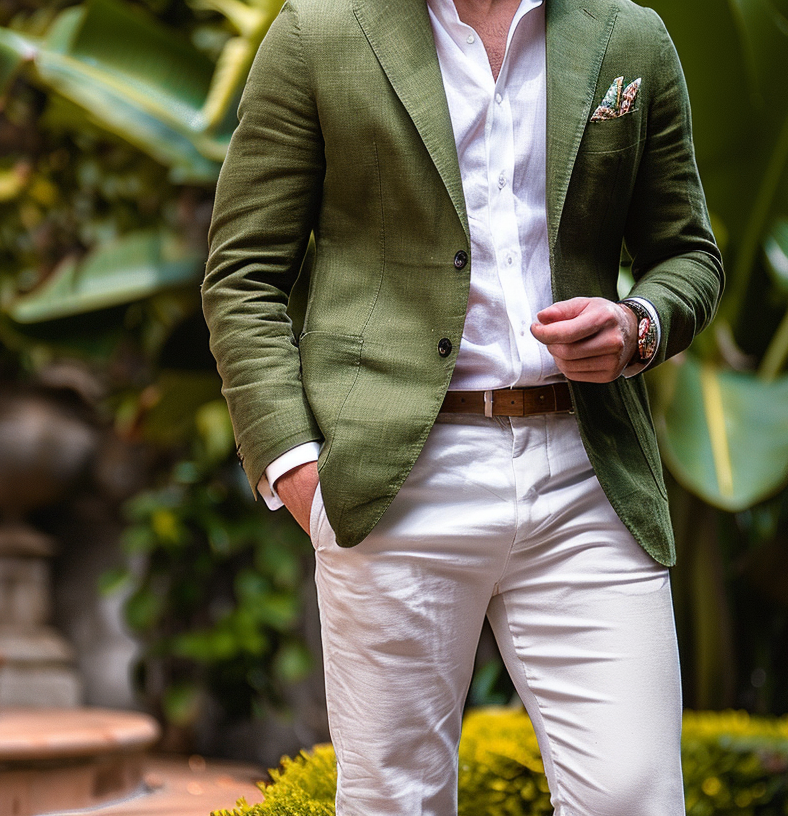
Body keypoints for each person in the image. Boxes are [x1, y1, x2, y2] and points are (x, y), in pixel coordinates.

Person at [201, 0, 722, 812]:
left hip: (586, 476)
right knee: (394, 800)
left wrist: (636, 324)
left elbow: (687, 253)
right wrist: (295, 468)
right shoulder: (319, 34)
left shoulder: (628, 35)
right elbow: (243, 275)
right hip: (398, 479)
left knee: (635, 794)